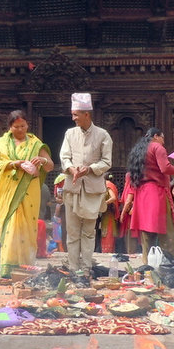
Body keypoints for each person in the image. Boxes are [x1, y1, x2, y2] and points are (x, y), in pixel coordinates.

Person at [0, 110, 53, 277]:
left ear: (27, 125)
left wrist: (43, 160)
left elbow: (50, 166)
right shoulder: (1, 144)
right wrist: (13, 163)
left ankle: (25, 267)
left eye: (23, 126)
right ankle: (8, 268)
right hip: (8, 193)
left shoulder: (35, 143)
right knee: (11, 226)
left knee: (26, 228)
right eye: (16, 127)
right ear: (10, 127)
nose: (20, 130)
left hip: (28, 191)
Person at [59, 93, 113, 275]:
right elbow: (64, 157)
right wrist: (71, 169)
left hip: (92, 189)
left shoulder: (103, 135)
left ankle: (87, 267)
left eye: (76, 114)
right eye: (73, 114)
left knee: (89, 232)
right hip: (72, 188)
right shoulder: (69, 134)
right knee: (72, 232)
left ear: (86, 114)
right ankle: (74, 268)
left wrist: (89, 169)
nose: (73, 118)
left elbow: (107, 162)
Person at [128, 127, 174, 264]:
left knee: (147, 233)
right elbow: (165, 168)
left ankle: (147, 265)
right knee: (167, 230)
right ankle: (169, 264)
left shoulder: (139, 150)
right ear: (156, 136)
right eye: (162, 138)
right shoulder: (157, 148)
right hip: (156, 193)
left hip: (142, 193)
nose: (163, 142)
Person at [98, 174, 119, 253]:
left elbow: (113, 198)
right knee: (108, 233)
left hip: (108, 213)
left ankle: (107, 252)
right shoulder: (112, 185)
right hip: (109, 213)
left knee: (107, 233)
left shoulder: (107, 185)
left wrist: (104, 203)